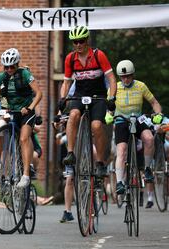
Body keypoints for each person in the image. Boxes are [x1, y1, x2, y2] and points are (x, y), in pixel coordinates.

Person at [57, 25, 117, 221]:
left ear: (87, 41)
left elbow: (111, 78)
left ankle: (100, 162)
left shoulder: (99, 55)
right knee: (73, 114)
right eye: (75, 42)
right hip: (80, 94)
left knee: (97, 126)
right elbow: (66, 82)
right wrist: (62, 98)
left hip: (98, 96)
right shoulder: (70, 59)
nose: (78, 45)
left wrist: (112, 97)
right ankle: (71, 154)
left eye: (81, 41)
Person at [107, 60, 162, 209]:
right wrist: (109, 114)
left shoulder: (141, 86)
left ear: (133, 75)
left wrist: (158, 114)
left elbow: (155, 103)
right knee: (122, 150)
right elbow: (109, 106)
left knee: (149, 139)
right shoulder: (115, 88)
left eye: (128, 76)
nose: (126, 79)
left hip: (137, 119)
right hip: (121, 121)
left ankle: (148, 168)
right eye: (122, 77)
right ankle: (120, 182)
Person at [0, 48, 42, 188]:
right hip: (11, 111)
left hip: (26, 112)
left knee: (24, 138)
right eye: (6, 67)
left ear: (17, 64)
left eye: (12, 66)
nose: (9, 69)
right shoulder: (2, 77)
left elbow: (38, 94)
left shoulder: (25, 74)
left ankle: (25, 175)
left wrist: (30, 108)